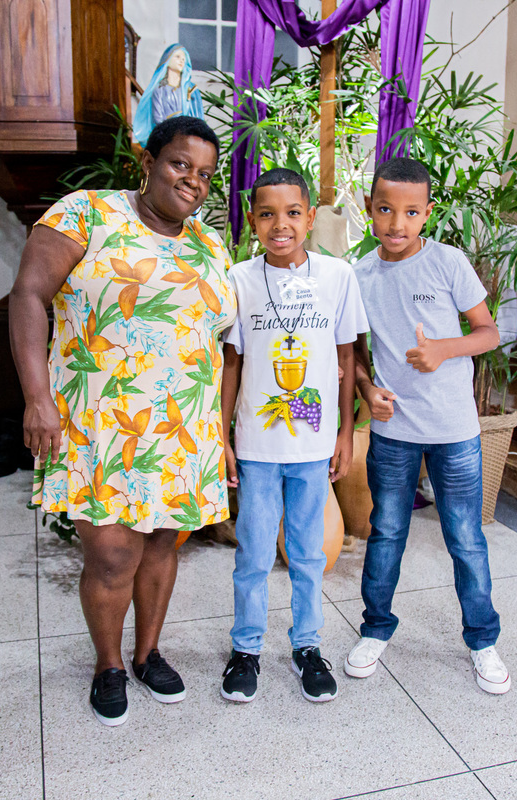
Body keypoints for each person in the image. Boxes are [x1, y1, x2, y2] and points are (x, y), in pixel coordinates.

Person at [9, 116, 237, 726]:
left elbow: (220, 340)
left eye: (205, 174)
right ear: (148, 161)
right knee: (112, 554)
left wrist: (220, 431)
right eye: (180, 164)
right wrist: (36, 399)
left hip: (181, 426)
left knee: (163, 544)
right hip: (98, 423)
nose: (192, 180)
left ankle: (147, 653)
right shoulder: (86, 213)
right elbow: (28, 295)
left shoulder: (210, 244)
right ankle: (108, 664)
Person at [344, 157, 511, 695]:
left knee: (464, 537)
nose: (397, 223)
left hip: (454, 430)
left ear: (428, 213)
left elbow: (488, 332)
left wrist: (443, 349)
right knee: (387, 532)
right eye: (385, 209)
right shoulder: (359, 276)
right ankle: (375, 629)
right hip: (393, 432)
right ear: (368, 209)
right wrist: (368, 392)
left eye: (411, 212)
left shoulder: (448, 262)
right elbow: (356, 353)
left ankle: (483, 640)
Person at [218, 168, 368, 704]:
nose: (280, 224)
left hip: (314, 443)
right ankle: (246, 649)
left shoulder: (337, 276)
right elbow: (232, 363)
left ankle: (307, 646)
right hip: (257, 445)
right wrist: (223, 436)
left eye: (292, 213)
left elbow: (347, 357)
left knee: (308, 553)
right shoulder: (239, 278)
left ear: (309, 216)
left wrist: (345, 431)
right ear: (252, 220)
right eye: (267, 214)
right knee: (254, 554)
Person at [132, 45, 205, 148]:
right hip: (166, 139)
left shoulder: (191, 89)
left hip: (188, 138)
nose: (181, 61)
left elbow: (198, 118)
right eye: (177, 57)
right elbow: (158, 119)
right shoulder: (159, 89)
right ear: (167, 59)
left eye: (184, 59)